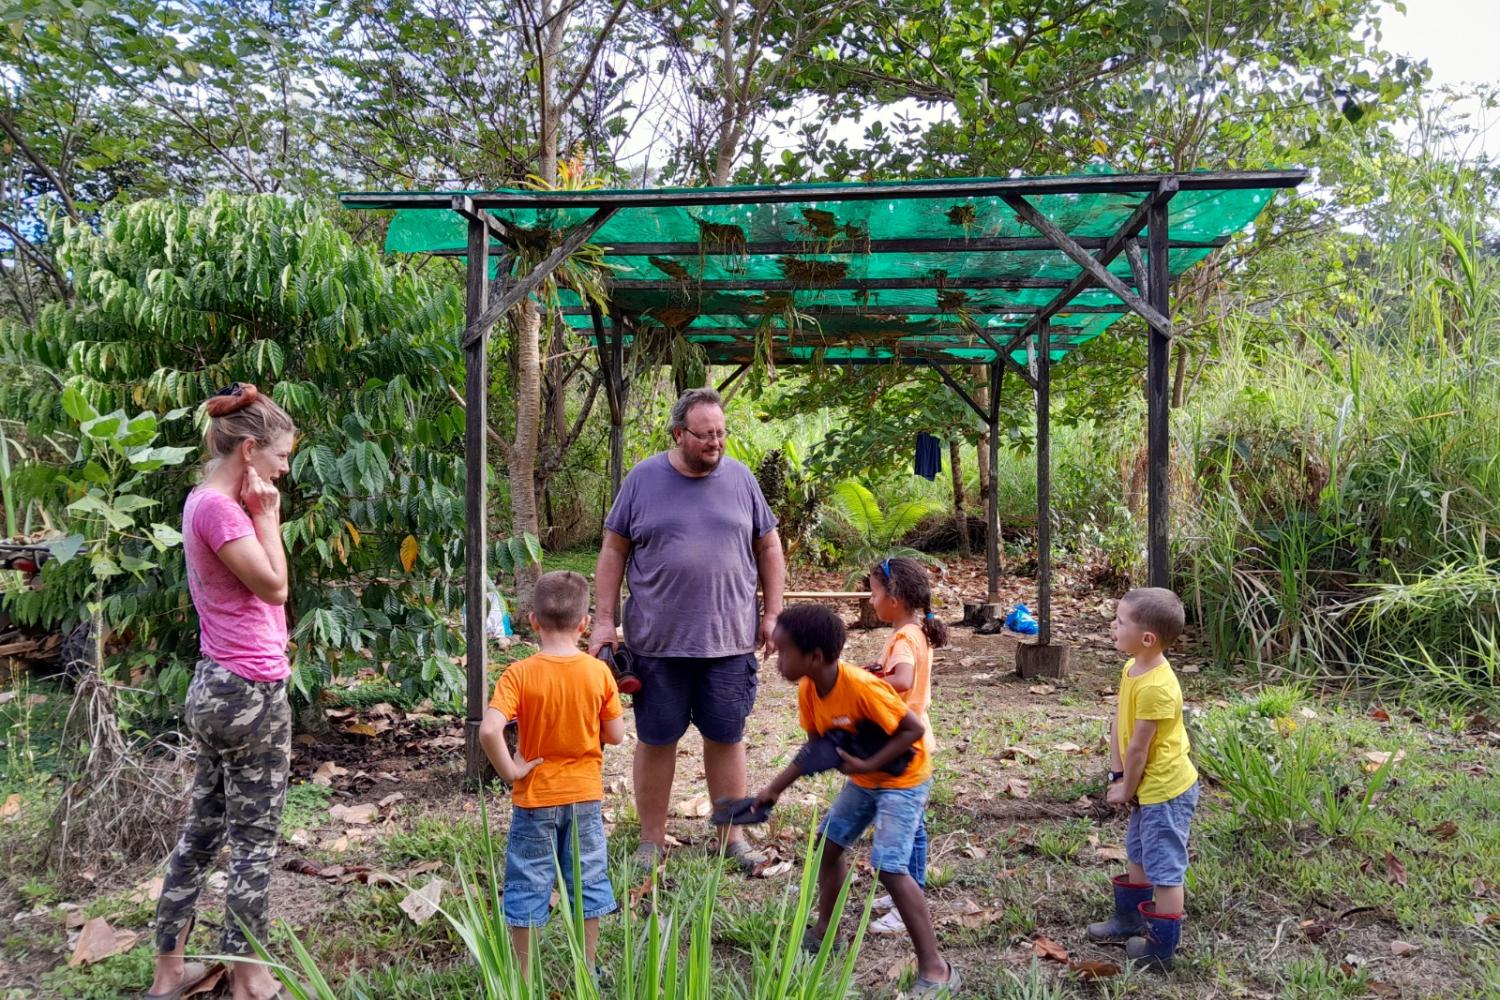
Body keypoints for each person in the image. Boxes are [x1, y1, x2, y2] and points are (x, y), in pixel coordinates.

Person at [588, 387, 785, 870]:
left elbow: (769, 548)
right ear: (679, 433)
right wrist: (604, 621)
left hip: (729, 640)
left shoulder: (741, 480)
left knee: (727, 737)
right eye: (704, 435)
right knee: (656, 740)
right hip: (657, 642)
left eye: (721, 433)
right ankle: (650, 841)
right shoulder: (642, 479)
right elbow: (614, 551)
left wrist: (773, 613)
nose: (715, 443)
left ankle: (732, 838)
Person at [149, 383, 296, 1000]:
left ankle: (169, 976)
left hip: (216, 686)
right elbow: (274, 587)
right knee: (254, 841)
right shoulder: (225, 510)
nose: (284, 469)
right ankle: (250, 979)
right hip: (249, 690)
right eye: (281, 456)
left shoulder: (199, 501)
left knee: (203, 832)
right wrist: (269, 518)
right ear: (249, 451)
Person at [752, 605, 958, 996]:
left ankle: (936, 967)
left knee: (889, 866)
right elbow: (816, 746)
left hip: (903, 779)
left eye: (784, 652)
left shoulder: (863, 687)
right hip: (866, 779)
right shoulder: (809, 689)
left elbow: (912, 729)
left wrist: (867, 761)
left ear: (813, 657)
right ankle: (826, 932)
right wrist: (774, 789)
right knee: (828, 846)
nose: (778, 660)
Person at [479, 571, 624, 980]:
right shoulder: (598, 674)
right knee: (588, 880)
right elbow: (615, 734)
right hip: (584, 797)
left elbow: (490, 729)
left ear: (533, 621)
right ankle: (588, 969)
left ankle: (523, 976)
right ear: (583, 623)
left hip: (534, 797)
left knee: (527, 883)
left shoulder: (519, 673)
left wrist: (512, 771)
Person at [1086, 587, 1199, 972]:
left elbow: (1140, 748)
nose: (1112, 627)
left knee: (1165, 867)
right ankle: (1133, 919)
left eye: (1120, 622)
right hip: (1143, 784)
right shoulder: (1132, 668)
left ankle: (1161, 950)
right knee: (1137, 850)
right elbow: (1120, 721)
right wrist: (1118, 776)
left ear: (1147, 638)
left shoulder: (1158, 687)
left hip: (1165, 789)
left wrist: (1128, 787)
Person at [862, 556, 947, 936]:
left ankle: (906, 901)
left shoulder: (902, 637)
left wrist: (869, 684)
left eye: (873, 592)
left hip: (905, 745)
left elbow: (903, 680)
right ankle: (910, 889)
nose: (870, 600)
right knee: (913, 825)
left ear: (893, 599)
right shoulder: (915, 632)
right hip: (916, 738)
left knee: (900, 827)